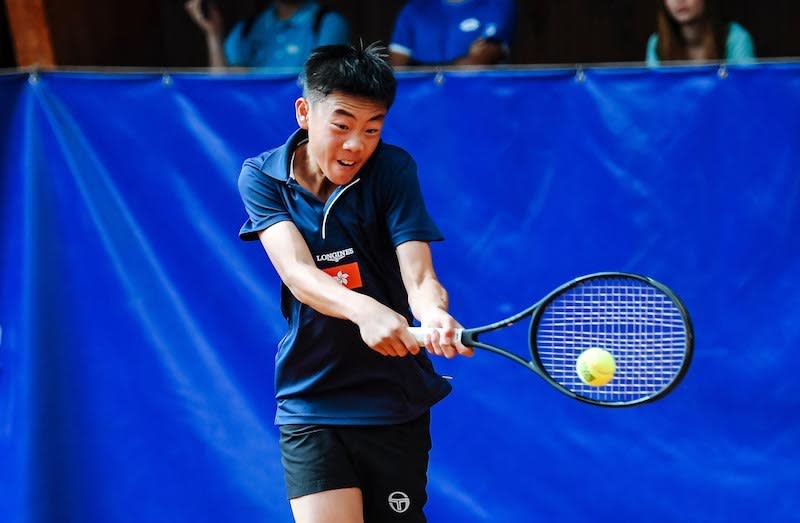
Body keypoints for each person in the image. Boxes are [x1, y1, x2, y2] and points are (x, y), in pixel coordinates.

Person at [237, 43, 473, 522]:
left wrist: (433, 314)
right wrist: (364, 309)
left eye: (372, 129)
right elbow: (298, 273)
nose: (355, 145)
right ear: (305, 112)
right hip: (312, 397)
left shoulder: (392, 170)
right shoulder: (261, 176)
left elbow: (420, 273)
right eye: (341, 126)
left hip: (391, 402)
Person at [184, 0, 350, 68]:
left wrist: (249, 75)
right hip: (250, 122)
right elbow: (223, 83)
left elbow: (323, 85)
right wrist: (213, 34)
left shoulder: (327, 23)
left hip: (297, 125)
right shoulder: (247, 28)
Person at [389, 0, 517, 66]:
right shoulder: (414, 9)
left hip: (477, 103)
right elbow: (399, 73)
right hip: (425, 107)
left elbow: (476, 64)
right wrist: (456, 65)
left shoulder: (496, 4)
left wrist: (418, 68)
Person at [646, 0, 755, 66]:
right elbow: (654, 95)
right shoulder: (657, 44)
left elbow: (743, 92)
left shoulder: (734, 37)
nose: (679, 0)